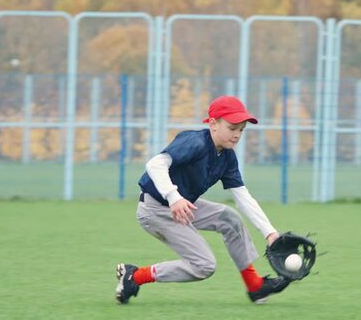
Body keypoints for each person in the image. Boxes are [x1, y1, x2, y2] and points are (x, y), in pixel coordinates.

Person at [115, 95, 290, 304]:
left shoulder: (227, 157)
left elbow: (242, 196)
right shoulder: (195, 142)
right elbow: (155, 164)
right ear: (214, 124)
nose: (237, 135)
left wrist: (269, 233)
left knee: (229, 219)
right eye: (232, 127)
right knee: (204, 265)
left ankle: (255, 287)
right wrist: (174, 197)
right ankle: (134, 276)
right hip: (155, 210)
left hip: (182, 206)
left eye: (241, 130)